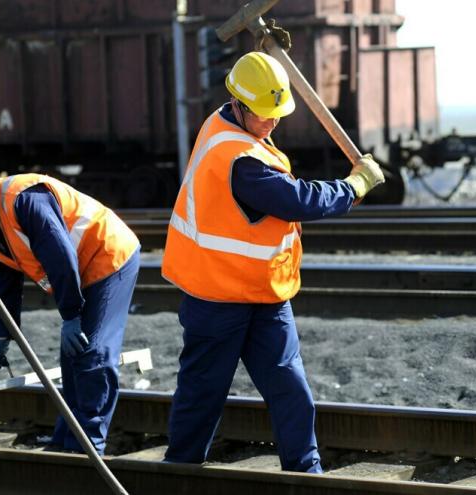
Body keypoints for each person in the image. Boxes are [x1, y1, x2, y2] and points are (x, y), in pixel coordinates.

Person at [161, 51, 385, 473]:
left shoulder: (227, 120)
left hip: (263, 291)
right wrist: (353, 186)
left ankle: (306, 472)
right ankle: (179, 473)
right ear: (240, 106)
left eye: (277, 113)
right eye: (265, 114)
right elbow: (296, 200)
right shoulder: (239, 160)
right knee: (203, 394)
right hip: (216, 295)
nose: (273, 122)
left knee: (289, 385)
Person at [0, 163, 140, 454]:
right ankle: (67, 443)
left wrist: (71, 315)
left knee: (93, 354)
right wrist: (2, 335)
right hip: (80, 270)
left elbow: (59, 256)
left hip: (109, 257)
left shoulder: (24, 199)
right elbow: (3, 278)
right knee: (73, 360)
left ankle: (88, 447)